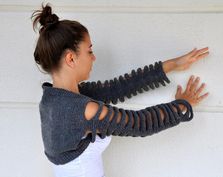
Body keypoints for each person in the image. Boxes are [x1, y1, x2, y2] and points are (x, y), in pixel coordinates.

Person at [32, 3, 209, 177]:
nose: (93, 58)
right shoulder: (82, 109)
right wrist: (182, 105)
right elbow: (140, 124)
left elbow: (118, 88)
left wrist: (173, 64)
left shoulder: (52, 100)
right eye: (89, 51)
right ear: (71, 58)